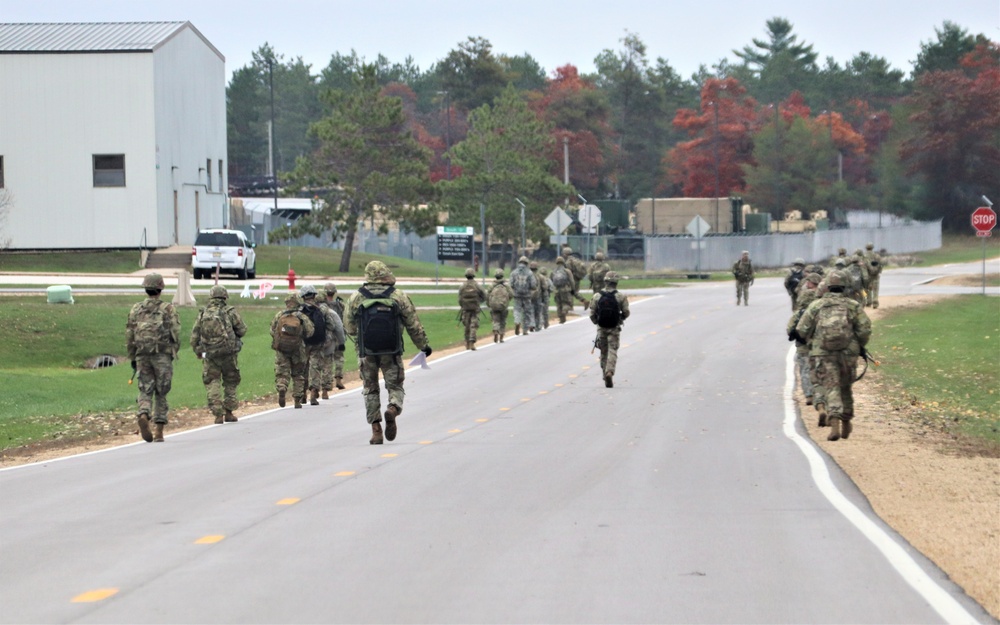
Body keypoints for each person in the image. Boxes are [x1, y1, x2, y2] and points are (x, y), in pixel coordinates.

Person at [344, 260, 432, 445]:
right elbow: (413, 325)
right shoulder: (398, 296)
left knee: (370, 389)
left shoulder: (356, 297)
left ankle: (376, 431)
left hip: (366, 352)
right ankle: (393, 408)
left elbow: (350, 328)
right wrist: (423, 346)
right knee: (395, 386)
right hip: (391, 351)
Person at [795, 273, 872, 441]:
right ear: (845, 287)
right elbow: (865, 329)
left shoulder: (817, 305)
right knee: (845, 386)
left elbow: (801, 329)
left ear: (827, 287)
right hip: (848, 353)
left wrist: (813, 340)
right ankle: (846, 422)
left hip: (823, 353)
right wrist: (858, 345)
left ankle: (834, 421)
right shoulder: (853, 305)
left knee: (831, 386)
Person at [125, 273, 180, 443]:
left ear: (146, 289)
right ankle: (159, 431)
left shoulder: (136, 309)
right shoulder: (168, 309)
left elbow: (129, 334)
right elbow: (175, 333)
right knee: (162, 392)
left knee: (145, 389)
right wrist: (173, 351)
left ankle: (143, 413)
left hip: (142, 355)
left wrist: (133, 355)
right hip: (162, 355)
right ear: (160, 288)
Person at [189, 285, 247, 424]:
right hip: (228, 353)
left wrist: (198, 351)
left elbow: (194, 336)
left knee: (212, 381)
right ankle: (229, 412)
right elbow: (242, 330)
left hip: (209, 354)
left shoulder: (204, 313)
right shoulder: (230, 312)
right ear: (225, 297)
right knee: (230, 381)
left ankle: (217, 414)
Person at [300, 285, 344, 404]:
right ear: (314, 295)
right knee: (315, 366)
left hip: (303, 343)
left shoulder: (299, 311)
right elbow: (333, 325)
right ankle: (314, 391)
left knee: (303, 367)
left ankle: (301, 394)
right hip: (319, 343)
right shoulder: (323, 309)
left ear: (302, 296)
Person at [269, 294, 315, 409]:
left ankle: (282, 387)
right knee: (298, 374)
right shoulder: (301, 317)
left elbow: (272, 330)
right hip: (298, 350)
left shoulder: (279, 315)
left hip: (281, 349)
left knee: (282, 372)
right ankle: (297, 400)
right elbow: (310, 332)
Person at [786, 273, 822, 408]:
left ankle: (808, 394)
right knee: (819, 369)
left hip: (802, 345)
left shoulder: (800, 313)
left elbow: (790, 329)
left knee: (805, 369)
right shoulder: (820, 311)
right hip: (818, 345)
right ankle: (819, 395)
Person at [589, 271, 630, 388]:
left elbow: (592, 313)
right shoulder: (620, 296)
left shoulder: (597, 296)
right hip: (614, 328)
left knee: (603, 351)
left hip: (601, 328)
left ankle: (604, 374)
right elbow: (626, 312)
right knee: (613, 350)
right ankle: (609, 371)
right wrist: (620, 318)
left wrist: (597, 322)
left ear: (605, 281)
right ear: (616, 282)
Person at [323, 282, 348, 389]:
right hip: (338, 336)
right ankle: (338, 379)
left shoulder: (321, 306)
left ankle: (326, 383)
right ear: (334, 293)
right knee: (339, 358)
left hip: (326, 337)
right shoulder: (340, 305)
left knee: (326, 360)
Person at [458, 267, 487, 350]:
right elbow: (484, 295)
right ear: (474, 275)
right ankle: (472, 341)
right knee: (473, 325)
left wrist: (463, 305)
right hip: (475, 309)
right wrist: (479, 302)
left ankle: (467, 342)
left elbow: (460, 299)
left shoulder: (462, 286)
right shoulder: (477, 285)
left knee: (466, 326)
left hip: (465, 309)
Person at [509, 256, 537, 335]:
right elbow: (533, 285)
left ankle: (517, 321)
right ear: (527, 263)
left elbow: (510, 284)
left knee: (517, 310)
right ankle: (525, 329)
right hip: (527, 296)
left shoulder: (514, 272)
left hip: (517, 295)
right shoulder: (530, 273)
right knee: (527, 312)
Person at [486, 269, 514, 342]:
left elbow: (487, 295)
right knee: (503, 321)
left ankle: (495, 330)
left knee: (496, 320)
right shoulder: (506, 286)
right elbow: (511, 294)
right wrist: (507, 300)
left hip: (494, 306)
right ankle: (501, 337)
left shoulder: (492, 286)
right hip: (503, 306)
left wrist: (489, 304)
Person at [550, 256, 576, 324]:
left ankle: (561, 319)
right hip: (565, 289)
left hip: (556, 290)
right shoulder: (567, 271)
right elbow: (572, 281)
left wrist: (553, 290)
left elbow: (551, 281)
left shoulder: (553, 272)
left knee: (559, 305)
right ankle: (564, 311)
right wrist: (573, 289)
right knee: (567, 303)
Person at [864, 243, 883, 308]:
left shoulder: (864, 256)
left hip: (867, 275)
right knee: (876, 289)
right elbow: (880, 264)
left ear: (866, 248)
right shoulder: (876, 255)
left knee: (867, 289)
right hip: (875, 275)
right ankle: (875, 302)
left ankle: (868, 301)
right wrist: (879, 271)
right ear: (872, 247)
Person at [528, 261, 546, 331]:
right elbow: (544, 287)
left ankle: (531, 324)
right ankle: (538, 326)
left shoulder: (527, 276)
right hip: (538, 296)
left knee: (530, 310)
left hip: (529, 296)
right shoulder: (540, 277)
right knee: (538, 311)